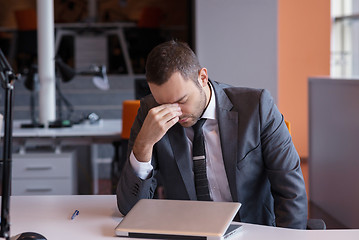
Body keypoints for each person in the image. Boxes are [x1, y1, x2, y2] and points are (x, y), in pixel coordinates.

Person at [116, 40, 308, 229]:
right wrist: (143, 145)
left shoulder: (257, 107)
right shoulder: (151, 114)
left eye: (182, 100)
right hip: (186, 232)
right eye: (163, 104)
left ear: (202, 77)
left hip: (251, 231)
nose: (176, 112)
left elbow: (291, 193)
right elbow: (130, 210)